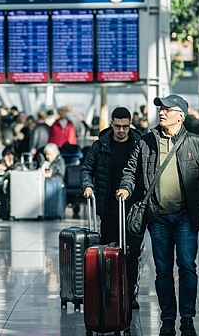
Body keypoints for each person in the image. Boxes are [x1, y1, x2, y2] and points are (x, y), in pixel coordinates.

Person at [117, 94, 199, 336]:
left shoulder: (197, 143)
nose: (161, 113)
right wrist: (126, 187)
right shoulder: (146, 142)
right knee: (162, 270)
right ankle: (167, 319)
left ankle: (187, 318)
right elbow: (131, 171)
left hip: (186, 215)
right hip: (157, 216)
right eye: (160, 109)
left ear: (180, 115)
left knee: (187, 267)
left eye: (167, 109)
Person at [80, 107, 143, 308]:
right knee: (107, 251)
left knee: (132, 251)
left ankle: (130, 291)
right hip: (109, 207)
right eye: (117, 126)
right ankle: (109, 291)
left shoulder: (139, 144)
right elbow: (86, 169)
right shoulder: (101, 145)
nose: (121, 131)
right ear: (111, 124)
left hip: (134, 207)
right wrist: (87, 185)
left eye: (125, 126)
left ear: (130, 125)